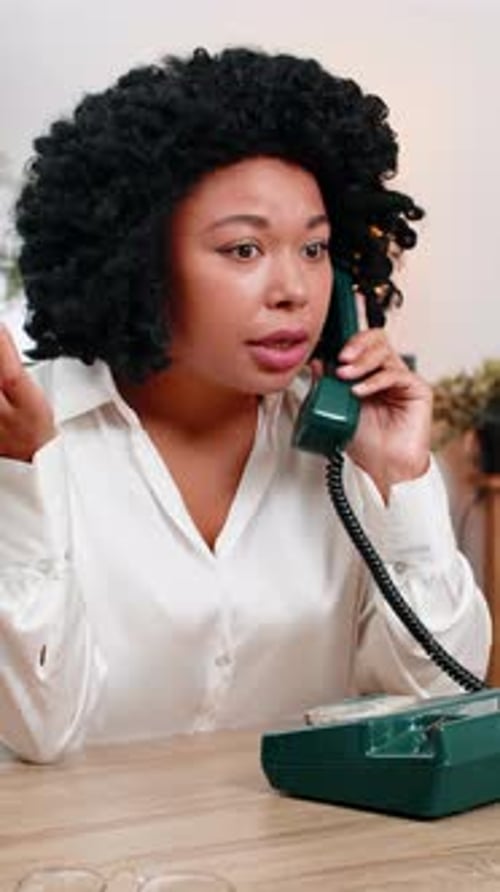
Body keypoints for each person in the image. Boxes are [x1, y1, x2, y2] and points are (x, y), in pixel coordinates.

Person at [0, 47, 491, 763]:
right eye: (244, 251)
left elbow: (439, 707)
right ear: (141, 260)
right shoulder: (27, 432)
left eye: (316, 249)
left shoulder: (349, 451)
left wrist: (402, 482)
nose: (293, 288)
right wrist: (20, 478)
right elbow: (37, 733)